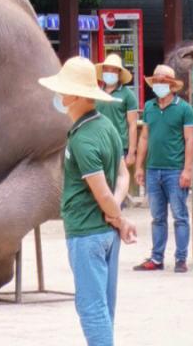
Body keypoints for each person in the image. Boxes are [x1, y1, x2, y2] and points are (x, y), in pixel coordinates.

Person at [39, 56, 137, 346]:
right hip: (106, 233)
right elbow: (122, 177)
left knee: (91, 308)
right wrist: (117, 215)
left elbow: (102, 192)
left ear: (75, 96)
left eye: (63, 90)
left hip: (86, 232)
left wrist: (116, 214)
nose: (59, 96)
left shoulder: (82, 139)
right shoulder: (107, 126)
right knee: (105, 307)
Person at [134, 63, 193, 273]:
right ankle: (156, 258)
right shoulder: (150, 108)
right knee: (157, 217)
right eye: (156, 81)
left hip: (174, 170)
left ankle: (181, 259)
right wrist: (139, 167)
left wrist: (187, 170)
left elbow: (190, 140)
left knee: (180, 216)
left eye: (163, 82)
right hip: (153, 170)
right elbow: (144, 137)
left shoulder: (184, 109)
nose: (158, 85)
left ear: (171, 85)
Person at [95, 54, 139, 175]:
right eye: (107, 69)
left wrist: (131, 152)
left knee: (120, 183)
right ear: (102, 71)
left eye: (113, 70)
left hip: (119, 147)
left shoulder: (128, 95)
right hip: (98, 145)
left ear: (119, 73)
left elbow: (133, 125)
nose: (110, 72)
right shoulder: (96, 93)